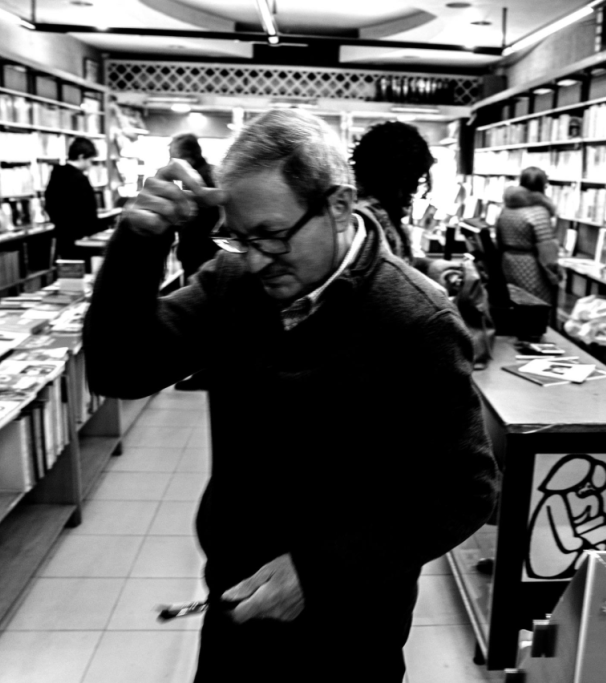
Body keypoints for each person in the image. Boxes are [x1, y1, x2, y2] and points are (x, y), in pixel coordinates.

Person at [83, 109, 499, 683]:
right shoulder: (235, 283)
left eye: (272, 236)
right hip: (234, 602)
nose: (256, 258)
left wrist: (320, 571)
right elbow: (119, 369)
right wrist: (139, 240)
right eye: (240, 237)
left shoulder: (416, 320)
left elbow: (465, 491)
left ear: (338, 205)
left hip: (350, 625)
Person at [350, 120, 434, 270]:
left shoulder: (376, 211)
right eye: (413, 179)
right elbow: (389, 279)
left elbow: (398, 265)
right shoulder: (372, 220)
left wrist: (431, 266)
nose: (414, 190)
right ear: (396, 178)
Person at [494, 166, 561, 304]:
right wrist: (555, 274)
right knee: (535, 306)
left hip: (507, 263)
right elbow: (547, 250)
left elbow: (498, 238)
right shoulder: (539, 211)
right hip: (531, 269)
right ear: (543, 185)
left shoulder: (507, 208)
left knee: (513, 304)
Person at [169, 132, 221, 281]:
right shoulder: (212, 173)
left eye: (174, 158)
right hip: (207, 255)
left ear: (188, 158)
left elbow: (194, 224)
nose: (171, 164)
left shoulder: (198, 181)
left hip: (200, 256)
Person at [43, 137, 100, 261]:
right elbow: (87, 210)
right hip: (82, 238)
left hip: (62, 235)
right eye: (90, 160)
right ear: (81, 157)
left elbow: (49, 205)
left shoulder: (56, 174)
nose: (90, 165)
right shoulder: (79, 179)